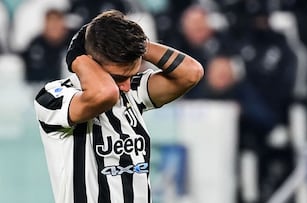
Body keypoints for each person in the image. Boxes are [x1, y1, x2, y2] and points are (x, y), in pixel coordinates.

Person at [33, 9, 203, 203]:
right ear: (91, 61)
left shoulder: (130, 90)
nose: (127, 86)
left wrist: (136, 44)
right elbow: (105, 93)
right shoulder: (54, 97)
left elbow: (191, 72)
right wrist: (77, 56)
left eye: (132, 75)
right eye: (119, 77)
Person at [21, 8, 70, 84]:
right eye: (51, 23)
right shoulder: (36, 44)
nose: (54, 26)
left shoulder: (72, 43)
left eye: (57, 23)